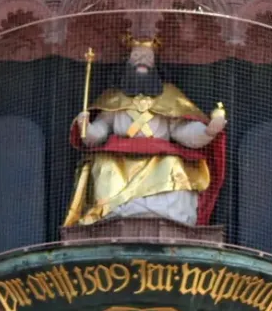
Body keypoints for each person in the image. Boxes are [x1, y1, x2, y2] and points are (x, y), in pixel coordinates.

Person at [63, 37, 227, 228]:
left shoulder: (170, 96)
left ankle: (165, 216)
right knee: (103, 165)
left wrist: (207, 131)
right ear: (128, 62)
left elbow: (182, 130)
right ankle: (111, 214)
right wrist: (87, 128)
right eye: (137, 55)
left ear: (155, 62)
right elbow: (100, 130)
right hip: (118, 157)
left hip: (160, 157)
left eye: (147, 57)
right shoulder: (114, 98)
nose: (142, 60)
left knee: (173, 166)